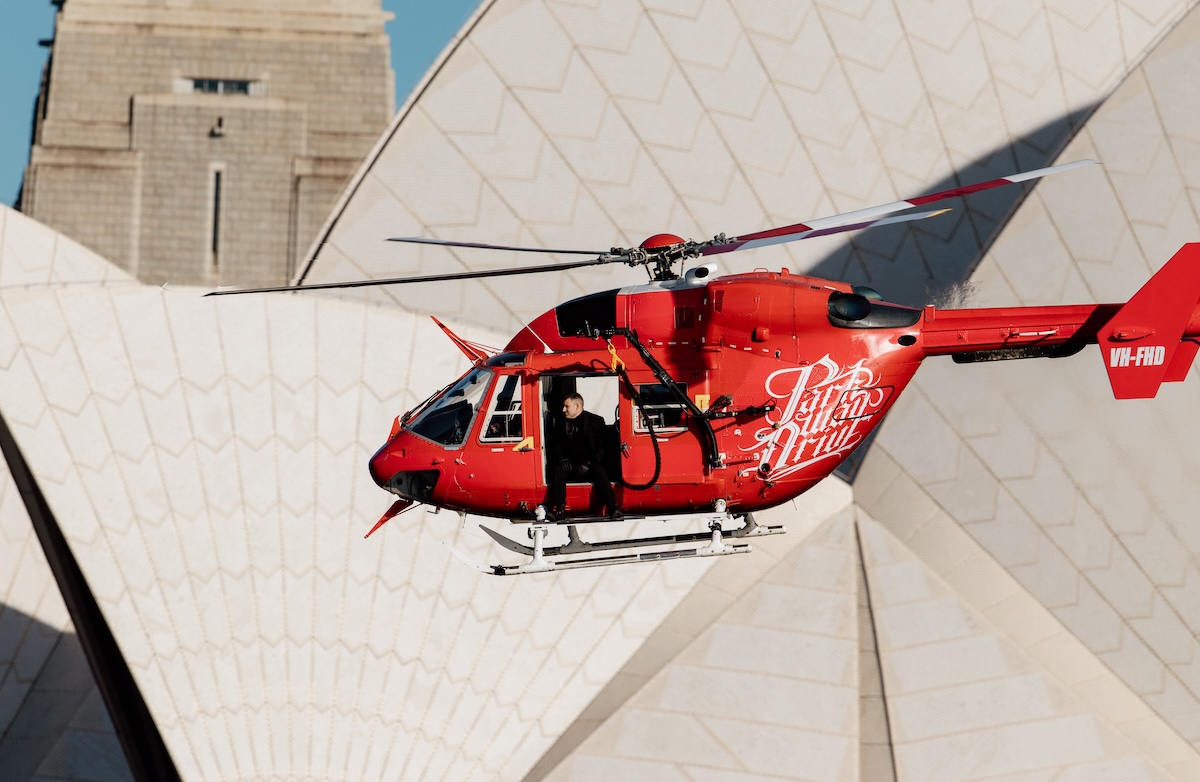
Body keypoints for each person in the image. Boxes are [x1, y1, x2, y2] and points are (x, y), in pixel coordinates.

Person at [547, 393, 621, 520]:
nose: (563, 410)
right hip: (569, 464)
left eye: (566, 406)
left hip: (590, 464)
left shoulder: (596, 421)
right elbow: (555, 444)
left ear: (577, 406)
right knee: (557, 470)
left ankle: (612, 508)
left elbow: (603, 447)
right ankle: (560, 509)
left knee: (600, 471)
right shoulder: (559, 422)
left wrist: (590, 462)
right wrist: (561, 458)